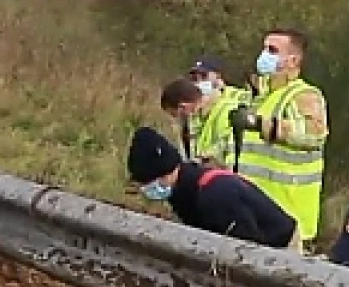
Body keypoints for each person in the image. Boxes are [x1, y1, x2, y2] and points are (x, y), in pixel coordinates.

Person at [124, 126, 296, 249]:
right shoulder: (183, 190)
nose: (147, 189)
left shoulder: (215, 194)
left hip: (282, 247)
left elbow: (248, 249)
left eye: (148, 182)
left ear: (166, 173)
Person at [233, 28, 328, 250]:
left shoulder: (304, 95)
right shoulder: (263, 96)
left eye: (273, 50)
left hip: (288, 218)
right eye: (264, 48)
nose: (264, 55)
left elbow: (314, 133)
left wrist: (262, 125)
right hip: (258, 212)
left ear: (293, 60)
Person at [159, 58, 249, 169]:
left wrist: (202, 161)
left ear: (218, 76)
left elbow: (229, 147)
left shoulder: (232, 107)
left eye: (204, 76)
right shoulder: (195, 117)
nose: (199, 81)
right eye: (194, 78)